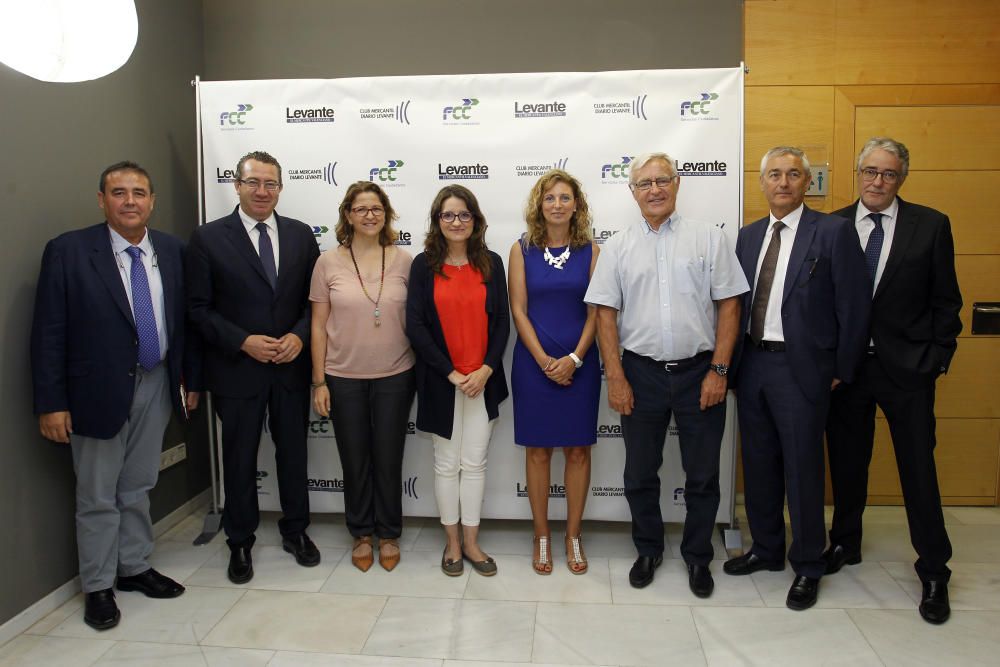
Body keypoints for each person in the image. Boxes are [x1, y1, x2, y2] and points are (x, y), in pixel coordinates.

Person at [31, 161, 201, 630]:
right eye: (119, 192)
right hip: (95, 392)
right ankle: (99, 586)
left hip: (158, 381)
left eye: (139, 192)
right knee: (97, 495)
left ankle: (134, 566)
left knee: (138, 485)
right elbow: (49, 332)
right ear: (102, 199)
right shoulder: (69, 251)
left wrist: (188, 380)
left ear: (153, 201)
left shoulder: (171, 249)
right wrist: (51, 402)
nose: (130, 201)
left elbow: (182, 324)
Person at [585, 152, 748, 596]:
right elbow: (604, 314)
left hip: (701, 372)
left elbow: (730, 305)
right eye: (644, 183)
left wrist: (719, 369)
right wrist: (615, 377)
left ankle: (698, 558)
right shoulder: (617, 246)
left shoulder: (708, 239)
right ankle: (648, 549)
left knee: (703, 474)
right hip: (639, 373)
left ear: (678, 184)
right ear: (632, 191)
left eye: (662, 181)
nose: (654, 190)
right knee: (640, 472)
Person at [724, 146, 870, 611]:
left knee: (804, 469)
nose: (783, 182)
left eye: (792, 174)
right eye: (774, 175)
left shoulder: (833, 232)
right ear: (761, 183)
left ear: (808, 182)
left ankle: (808, 563)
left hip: (803, 369)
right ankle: (766, 549)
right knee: (761, 464)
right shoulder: (748, 237)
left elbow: (854, 307)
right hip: (753, 365)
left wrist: (840, 370)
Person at [824, 137, 962, 624]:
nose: (877, 182)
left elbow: (947, 301)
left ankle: (933, 567)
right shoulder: (833, 225)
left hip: (907, 371)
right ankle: (844, 544)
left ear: (901, 178)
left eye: (888, 174)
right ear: (857, 173)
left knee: (918, 470)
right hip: (848, 372)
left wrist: (937, 359)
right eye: (870, 172)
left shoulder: (930, 225)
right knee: (846, 463)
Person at [187, 150, 320, 584]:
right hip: (236, 368)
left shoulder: (301, 236)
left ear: (281, 188)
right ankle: (239, 540)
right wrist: (243, 341)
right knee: (239, 457)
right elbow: (198, 309)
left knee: (294, 454)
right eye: (254, 183)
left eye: (271, 184)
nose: (262, 191)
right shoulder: (208, 238)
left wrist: (300, 336)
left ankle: (295, 531)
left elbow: (312, 302)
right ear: (237, 185)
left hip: (290, 367)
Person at [309, 181, 415, 572]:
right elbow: (318, 326)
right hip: (342, 376)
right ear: (348, 215)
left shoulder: (404, 260)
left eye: (377, 208)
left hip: (395, 374)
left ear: (386, 214)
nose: (369, 215)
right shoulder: (328, 262)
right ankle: (361, 533)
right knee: (354, 459)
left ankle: (388, 533)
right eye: (361, 208)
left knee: (388, 457)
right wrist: (319, 381)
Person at [406, 185, 510, 577]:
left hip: (483, 382)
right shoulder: (423, 265)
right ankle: (451, 543)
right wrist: (451, 373)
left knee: (475, 463)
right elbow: (414, 326)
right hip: (441, 382)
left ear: (475, 220)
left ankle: (471, 541)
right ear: (437, 221)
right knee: (447, 465)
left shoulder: (492, 263)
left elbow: (502, 321)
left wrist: (486, 368)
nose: (456, 222)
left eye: (464, 214)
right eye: (448, 215)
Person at [509, 169, 600, 575]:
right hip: (533, 364)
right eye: (550, 198)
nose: (558, 205)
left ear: (576, 205)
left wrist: (576, 359)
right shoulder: (521, 248)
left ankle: (573, 536)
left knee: (578, 451)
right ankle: (542, 535)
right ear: (539, 205)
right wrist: (545, 361)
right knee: (538, 451)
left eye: (565, 198)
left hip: (580, 363)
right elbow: (518, 310)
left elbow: (598, 312)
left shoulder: (592, 251)